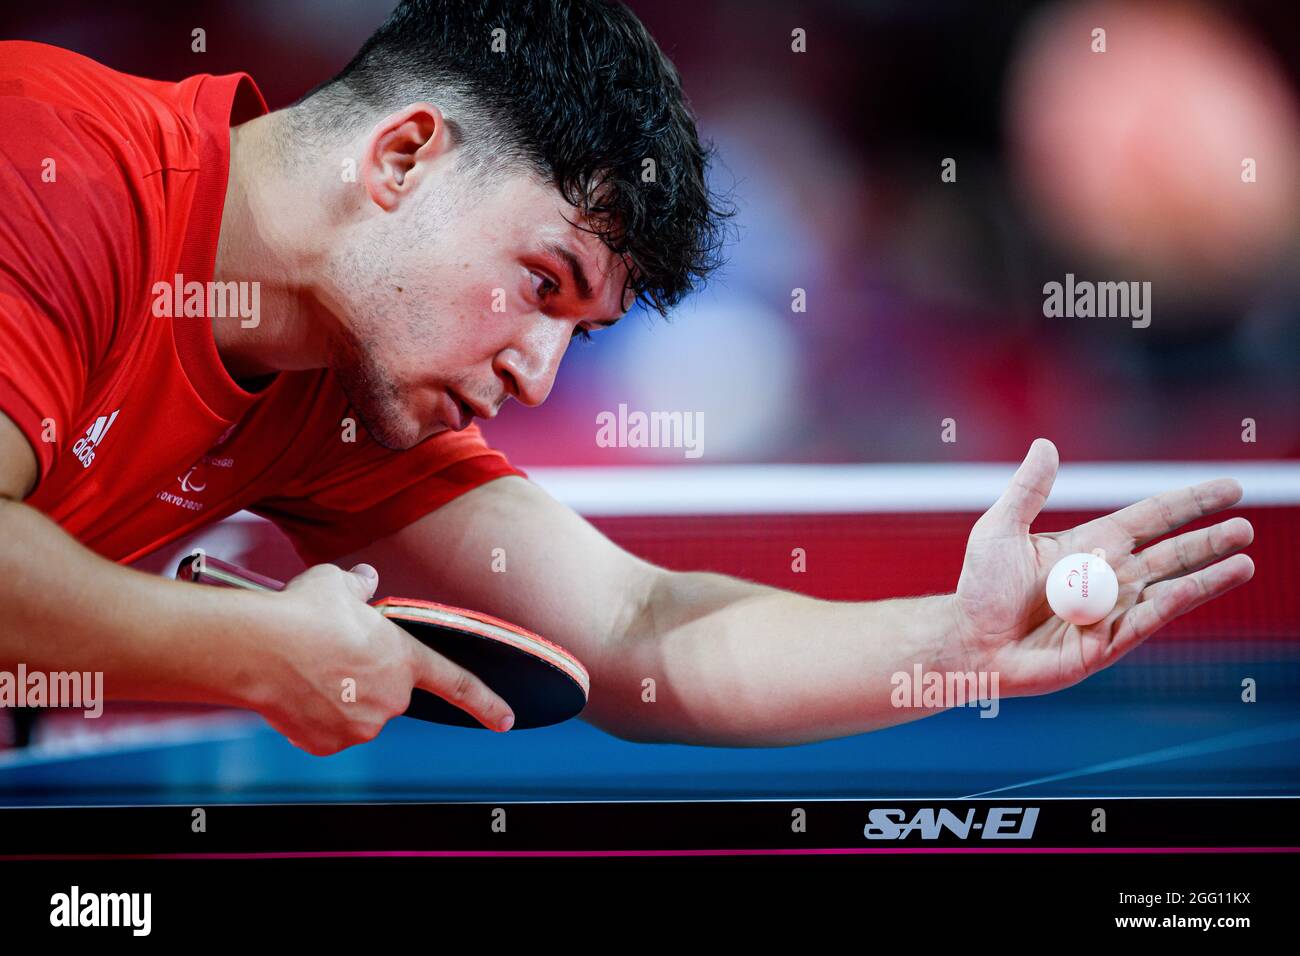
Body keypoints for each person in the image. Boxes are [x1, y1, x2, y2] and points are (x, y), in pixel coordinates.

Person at [0, 0, 1254, 755]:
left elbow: (638, 630)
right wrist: (247, 648)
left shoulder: (344, 384)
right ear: (402, 157)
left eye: (581, 331)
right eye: (543, 282)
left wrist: (959, 639)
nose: (539, 375)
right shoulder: (53, 169)